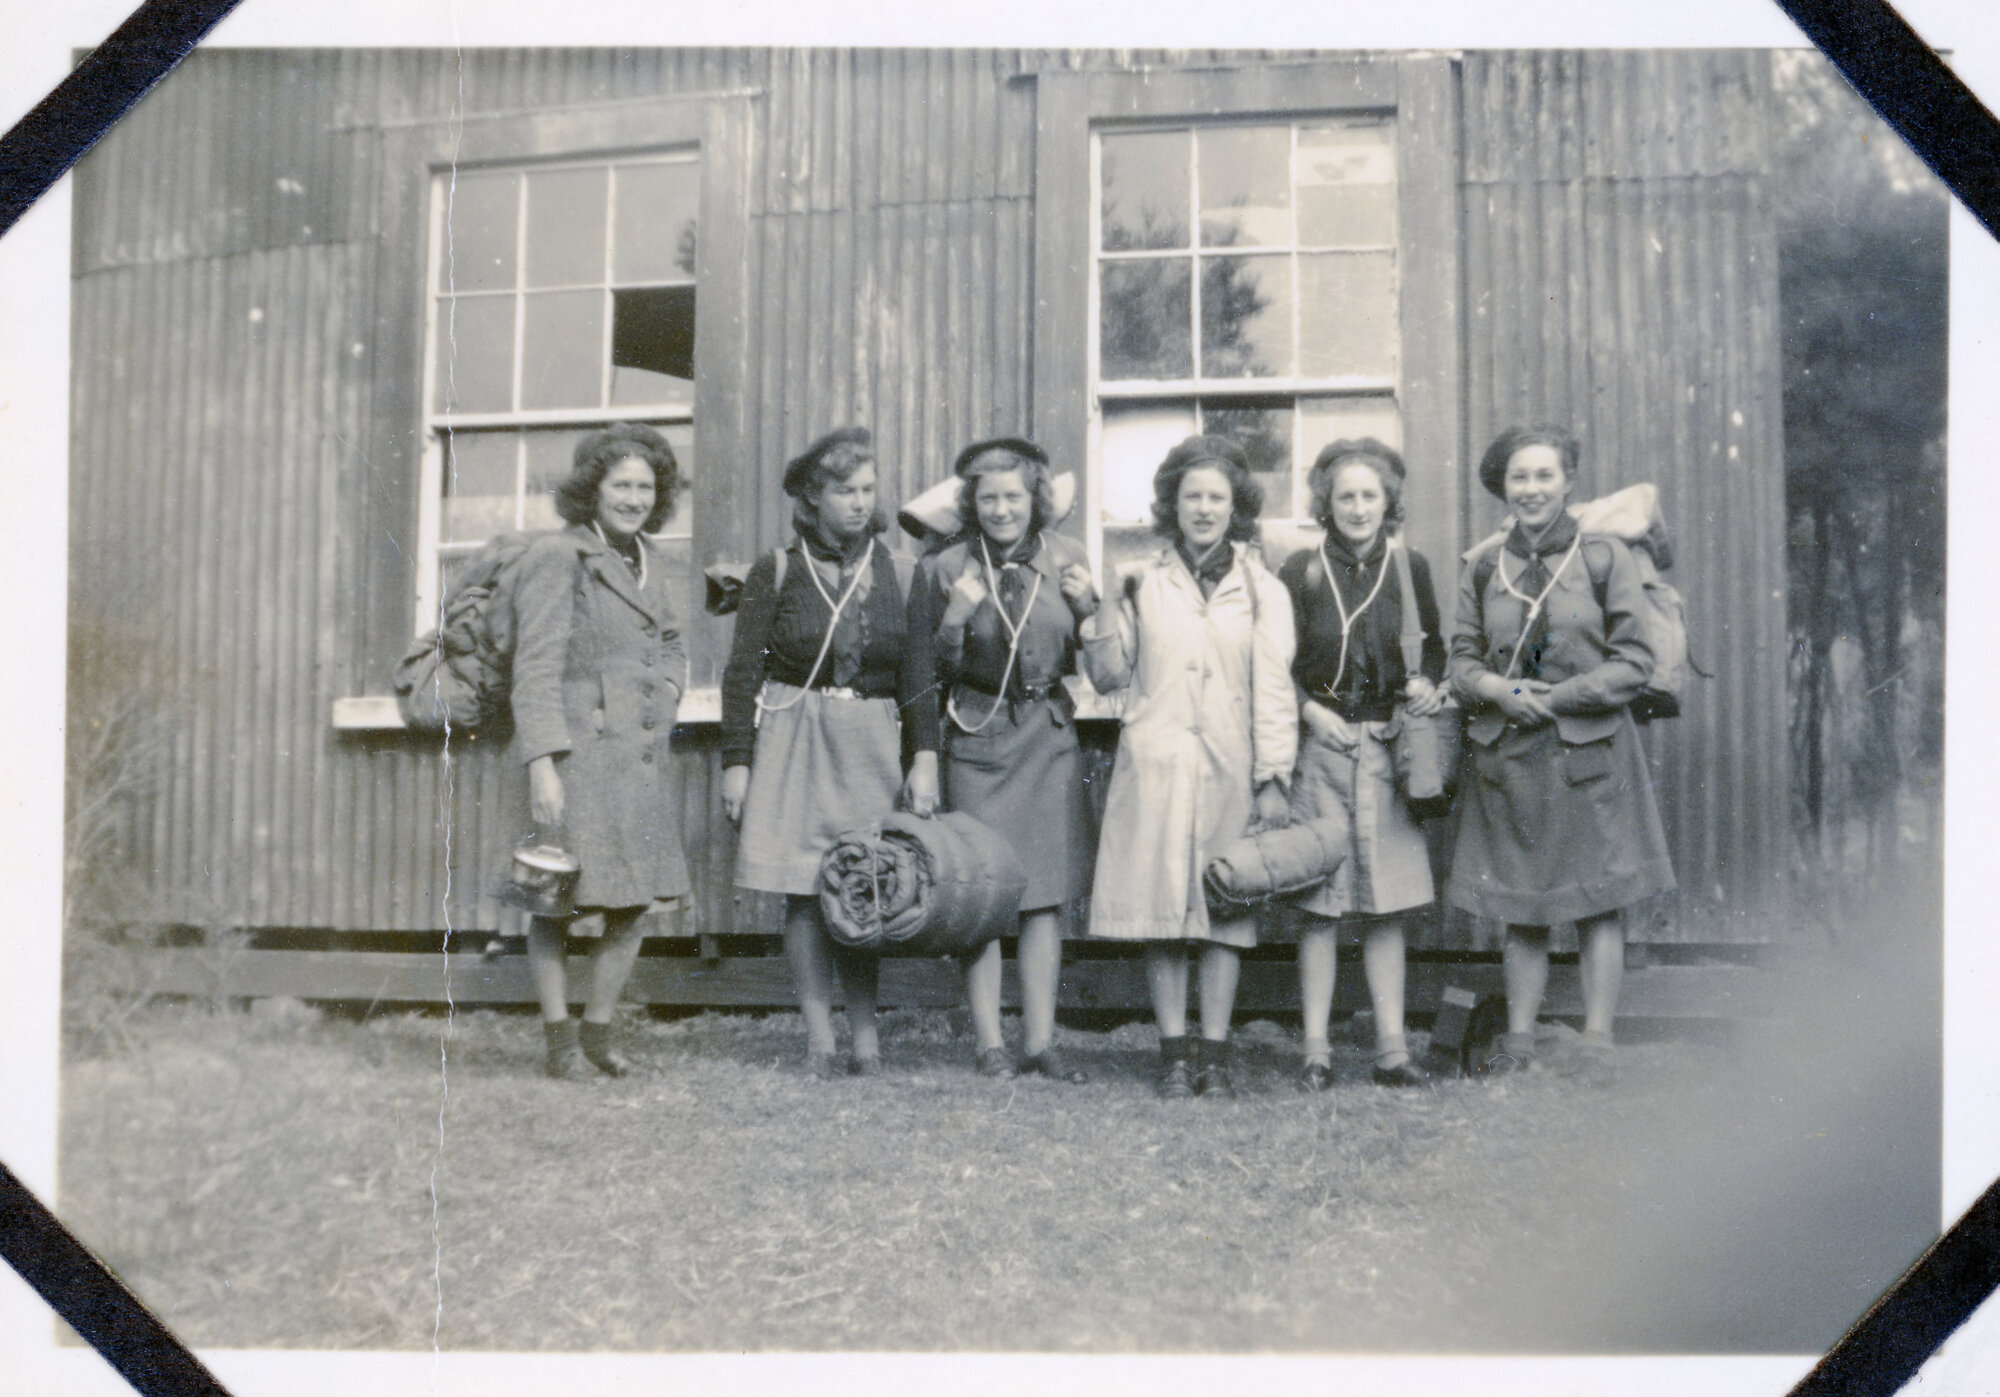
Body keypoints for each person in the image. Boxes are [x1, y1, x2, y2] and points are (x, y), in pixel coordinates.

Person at [1447, 425, 1676, 1086]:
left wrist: (1563, 696)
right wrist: (1499, 688)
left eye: (1545, 475)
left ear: (1568, 480)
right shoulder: (1485, 564)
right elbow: (1460, 660)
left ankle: (1597, 1040)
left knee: (1600, 898)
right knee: (1523, 900)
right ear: (1504, 487)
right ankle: (1519, 1041)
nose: (1532, 489)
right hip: (1511, 752)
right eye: (1519, 478)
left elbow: (1637, 660)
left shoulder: (1604, 556)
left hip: (1590, 750)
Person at [719, 427, 940, 1079]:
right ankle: (820, 1039)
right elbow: (741, 674)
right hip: (795, 741)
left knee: (864, 884)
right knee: (805, 893)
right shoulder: (778, 569)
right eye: (844, 490)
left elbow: (921, 674)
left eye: (868, 489)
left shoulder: (903, 571)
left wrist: (923, 756)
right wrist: (738, 760)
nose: (859, 503)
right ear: (812, 498)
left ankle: (866, 1039)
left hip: (872, 738)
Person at [1081, 436, 1296, 1099]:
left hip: (1231, 766)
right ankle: (1174, 1051)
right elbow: (1109, 676)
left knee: (1224, 908)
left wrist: (1273, 777)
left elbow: (1276, 689)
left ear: (1238, 507)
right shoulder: (1141, 579)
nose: (1204, 508)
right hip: (1158, 761)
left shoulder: (1263, 588)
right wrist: (1104, 607)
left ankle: (1217, 1051)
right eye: (1192, 495)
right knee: (1163, 909)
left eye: (1217, 497)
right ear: (1172, 503)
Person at [907, 437, 1098, 1083]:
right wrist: (956, 618)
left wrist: (1089, 608)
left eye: (1013, 495)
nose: (1001, 508)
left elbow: (1104, 664)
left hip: (1045, 736)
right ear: (971, 504)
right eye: (987, 497)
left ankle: (1041, 1041)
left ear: (1035, 499)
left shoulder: (1068, 558)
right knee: (984, 893)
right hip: (977, 738)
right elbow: (924, 670)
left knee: (1043, 897)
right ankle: (990, 1043)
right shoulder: (946, 565)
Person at [510, 424, 693, 1079]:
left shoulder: (652, 559)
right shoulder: (560, 556)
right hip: (577, 756)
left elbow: (672, 640)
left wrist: (669, 689)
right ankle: (559, 1039)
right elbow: (533, 667)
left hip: (641, 755)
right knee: (556, 896)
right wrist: (541, 764)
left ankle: (597, 1032)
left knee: (633, 901)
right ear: (593, 488)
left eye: (646, 486)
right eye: (622, 484)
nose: (635, 497)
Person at [1277, 440, 1448, 1092]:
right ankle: (1316, 1050)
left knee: (1386, 906)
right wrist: (1308, 712)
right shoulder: (1300, 570)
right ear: (1326, 502)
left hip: (1386, 750)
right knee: (1320, 907)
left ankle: (1391, 1050)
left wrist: (1429, 684)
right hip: (1322, 748)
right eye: (1344, 495)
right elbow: (1276, 667)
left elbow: (1433, 654)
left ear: (1388, 502)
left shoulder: (1410, 567)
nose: (1356, 507)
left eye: (1368, 495)